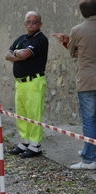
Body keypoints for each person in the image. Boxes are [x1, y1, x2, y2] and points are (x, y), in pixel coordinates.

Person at [53, 0, 96, 169]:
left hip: (87, 80)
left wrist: (67, 41)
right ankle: (89, 149)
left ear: (83, 13)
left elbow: (74, 53)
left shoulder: (77, 30)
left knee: (89, 120)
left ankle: (88, 159)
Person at [5, 11, 49, 159]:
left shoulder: (41, 39)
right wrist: (19, 54)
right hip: (20, 84)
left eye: (34, 21)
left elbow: (23, 54)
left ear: (40, 24)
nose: (31, 24)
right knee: (22, 115)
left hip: (34, 82)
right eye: (28, 22)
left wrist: (16, 54)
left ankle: (35, 146)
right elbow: (7, 55)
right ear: (25, 24)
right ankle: (24, 143)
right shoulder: (22, 38)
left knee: (33, 115)